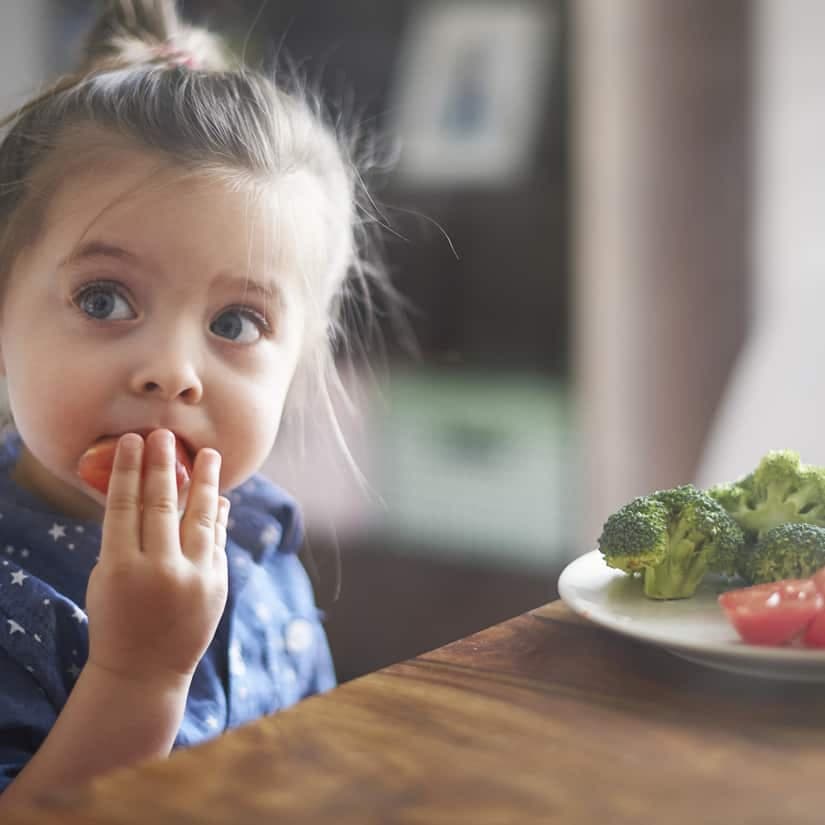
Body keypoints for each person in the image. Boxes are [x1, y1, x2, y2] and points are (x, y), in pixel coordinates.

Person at [0, 0, 382, 806]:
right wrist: (138, 674)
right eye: (104, 300)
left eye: (236, 322)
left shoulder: (260, 540)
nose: (173, 372)